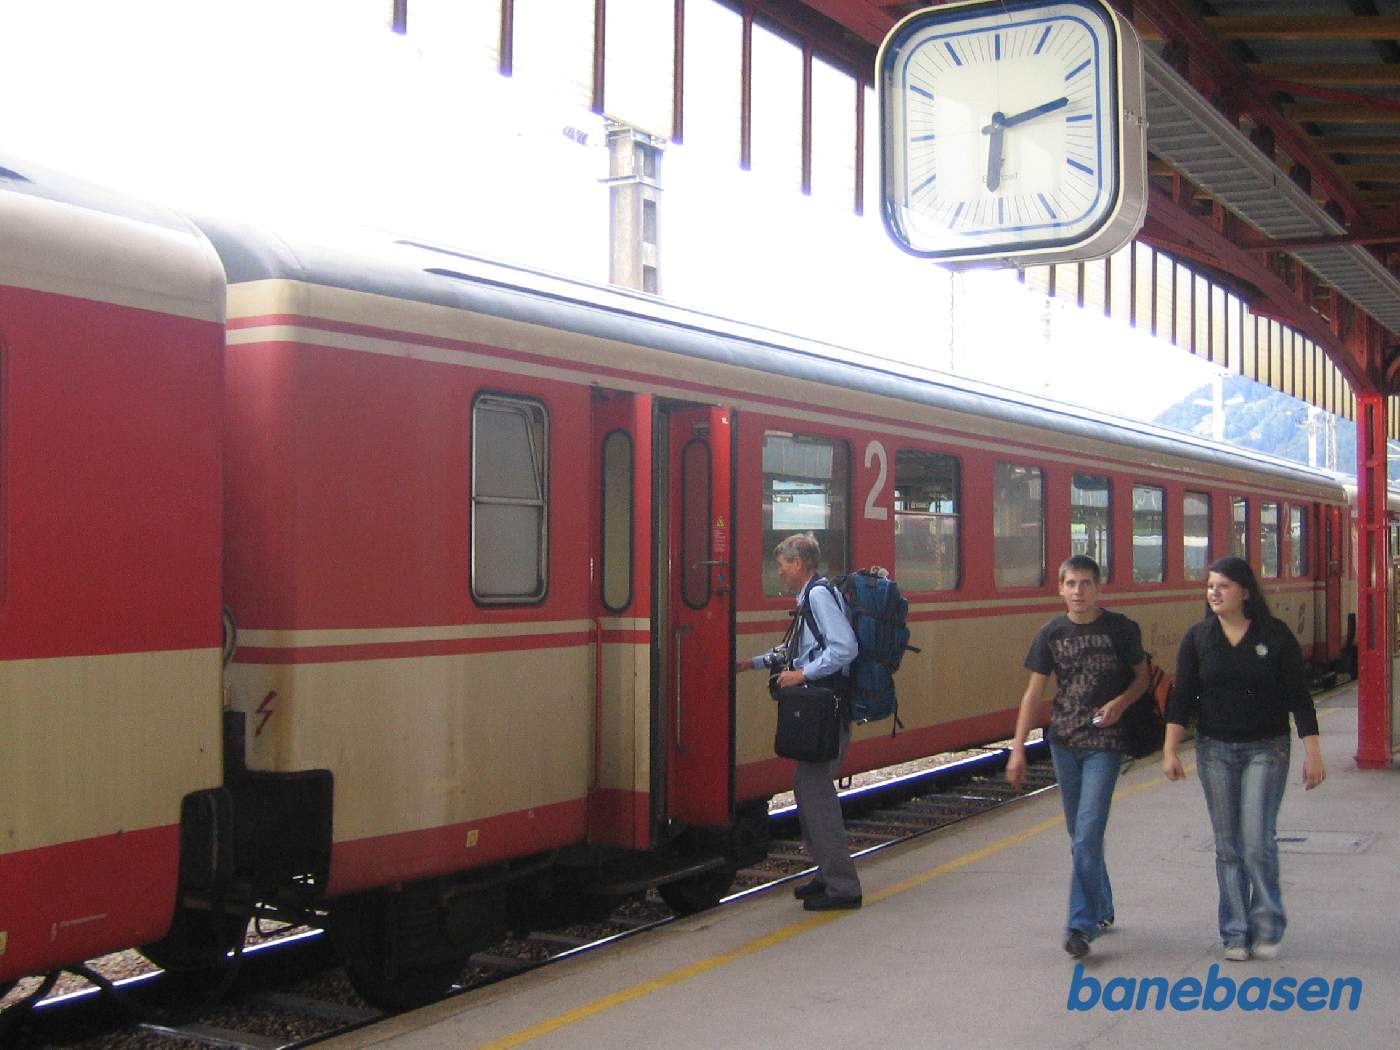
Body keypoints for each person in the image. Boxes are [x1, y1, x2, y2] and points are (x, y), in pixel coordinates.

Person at [1162, 555, 1325, 962]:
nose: (1214, 593)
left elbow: (1299, 696)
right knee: (1228, 846)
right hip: (1214, 750)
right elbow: (1181, 698)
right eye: (1210, 586)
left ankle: (1267, 925)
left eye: (1223, 586)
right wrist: (1170, 749)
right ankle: (1235, 932)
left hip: (1266, 748)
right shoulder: (1199, 638)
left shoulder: (1275, 635)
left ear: (1245, 592)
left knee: (1256, 841)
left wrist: (1313, 752)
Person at [1006, 555, 1148, 959]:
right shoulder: (1051, 633)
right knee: (1079, 834)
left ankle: (1080, 926)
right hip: (1063, 742)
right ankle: (1102, 905)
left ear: (1098, 587)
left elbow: (1142, 678)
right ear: (1060, 589)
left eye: (1086, 583)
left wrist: (1120, 703)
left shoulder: (1121, 629)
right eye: (1071, 584)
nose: (1079, 591)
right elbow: (1033, 693)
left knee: (1087, 833)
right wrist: (1018, 747)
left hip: (1105, 742)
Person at [737, 533, 862, 911]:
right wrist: (752, 664)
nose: (779, 573)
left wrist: (803, 674)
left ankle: (843, 887)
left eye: (782, 565)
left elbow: (844, 647)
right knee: (808, 790)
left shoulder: (818, 596)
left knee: (816, 797)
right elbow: (797, 648)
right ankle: (826, 874)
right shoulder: (811, 596)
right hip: (821, 712)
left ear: (799, 563)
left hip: (826, 713)